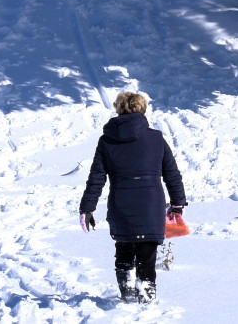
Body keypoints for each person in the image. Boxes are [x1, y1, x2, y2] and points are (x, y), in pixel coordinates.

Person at [78, 91, 187, 304]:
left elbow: (96, 178)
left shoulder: (106, 140)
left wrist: (87, 208)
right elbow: (172, 174)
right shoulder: (156, 138)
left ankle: (126, 297)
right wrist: (177, 203)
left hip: (122, 205)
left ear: (119, 109)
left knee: (124, 253)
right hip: (150, 205)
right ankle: (146, 301)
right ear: (142, 109)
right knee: (147, 256)